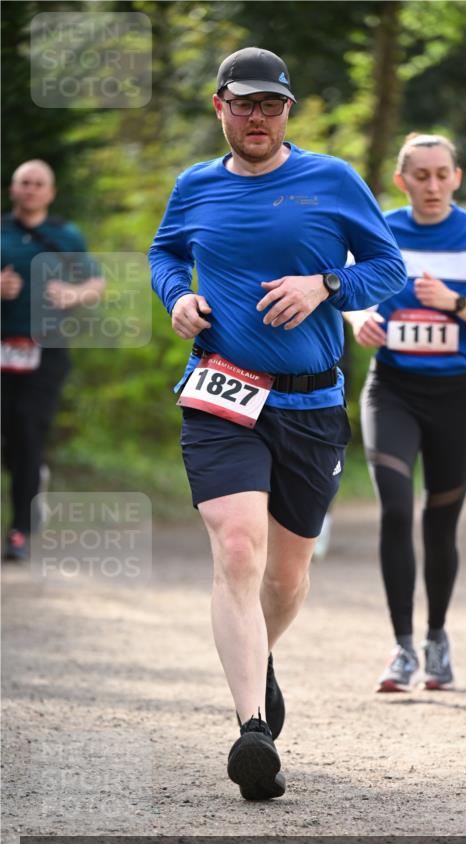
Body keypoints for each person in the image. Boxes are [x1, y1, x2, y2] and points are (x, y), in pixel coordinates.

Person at [148, 48, 406, 800]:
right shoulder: (195, 185)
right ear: (220, 106)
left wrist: (325, 283)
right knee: (236, 548)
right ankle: (252, 732)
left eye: (271, 105)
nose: (257, 117)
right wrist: (177, 296)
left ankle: (257, 653)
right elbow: (165, 253)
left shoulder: (332, 179)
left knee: (287, 578)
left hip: (310, 404)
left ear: (287, 111)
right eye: (243, 103)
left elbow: (386, 267)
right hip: (221, 393)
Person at [345, 133, 466, 693]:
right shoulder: (381, 229)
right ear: (402, 181)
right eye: (421, 176)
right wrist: (361, 321)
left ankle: (436, 638)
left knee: (440, 524)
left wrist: (455, 303)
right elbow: (347, 293)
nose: (432, 185)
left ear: (457, 177)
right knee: (396, 510)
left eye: (442, 174)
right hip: (392, 390)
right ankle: (401, 649)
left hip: (456, 396)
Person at [1, 160, 104, 560]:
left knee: (28, 431)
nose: (30, 189)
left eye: (38, 183)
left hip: (46, 351)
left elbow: (95, 283)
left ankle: (20, 530)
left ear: (50, 192)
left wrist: (72, 294)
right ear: (13, 189)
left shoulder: (65, 234)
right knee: (10, 438)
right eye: (24, 182)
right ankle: (31, 480)